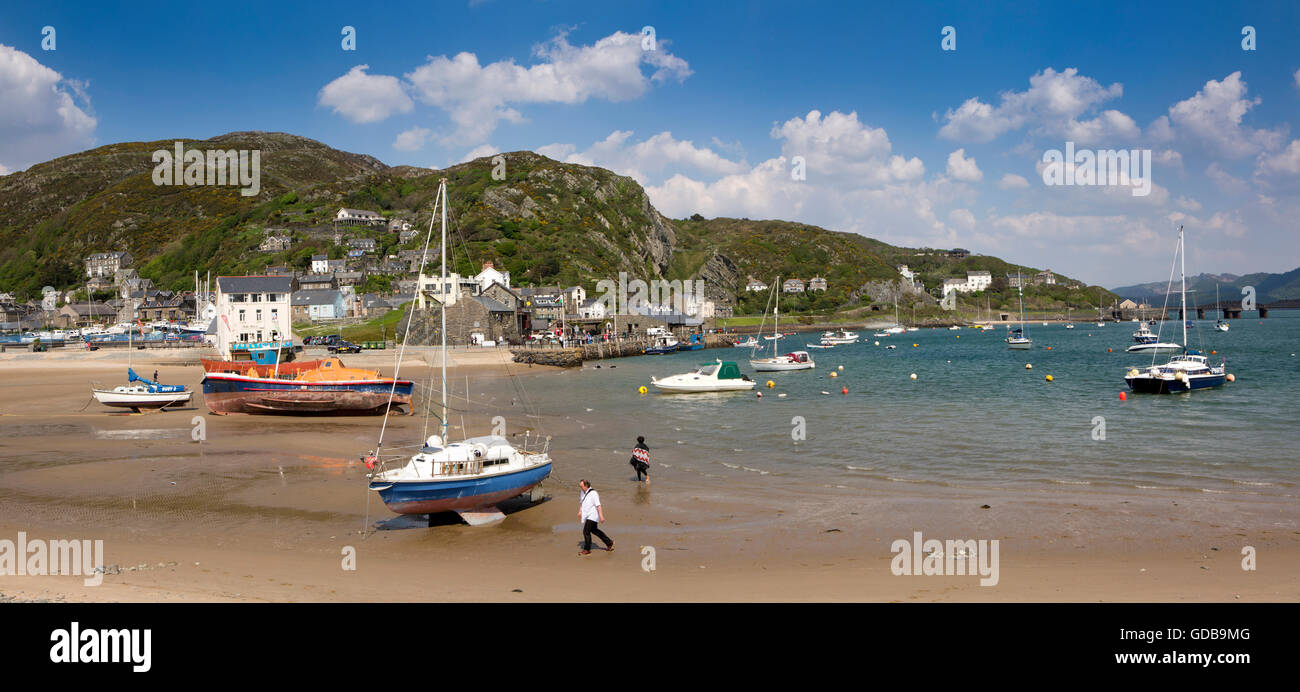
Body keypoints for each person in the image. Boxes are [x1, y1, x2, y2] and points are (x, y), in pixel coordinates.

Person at [577, 480, 613, 555]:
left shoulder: (594, 493)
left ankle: (587, 549)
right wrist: (580, 511)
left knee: (586, 531)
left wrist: (601, 516)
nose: (580, 488)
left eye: (581, 486)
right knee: (594, 530)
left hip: (593, 515)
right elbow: (582, 502)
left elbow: (598, 505)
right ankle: (609, 542)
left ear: (586, 486)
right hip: (587, 515)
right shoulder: (582, 492)